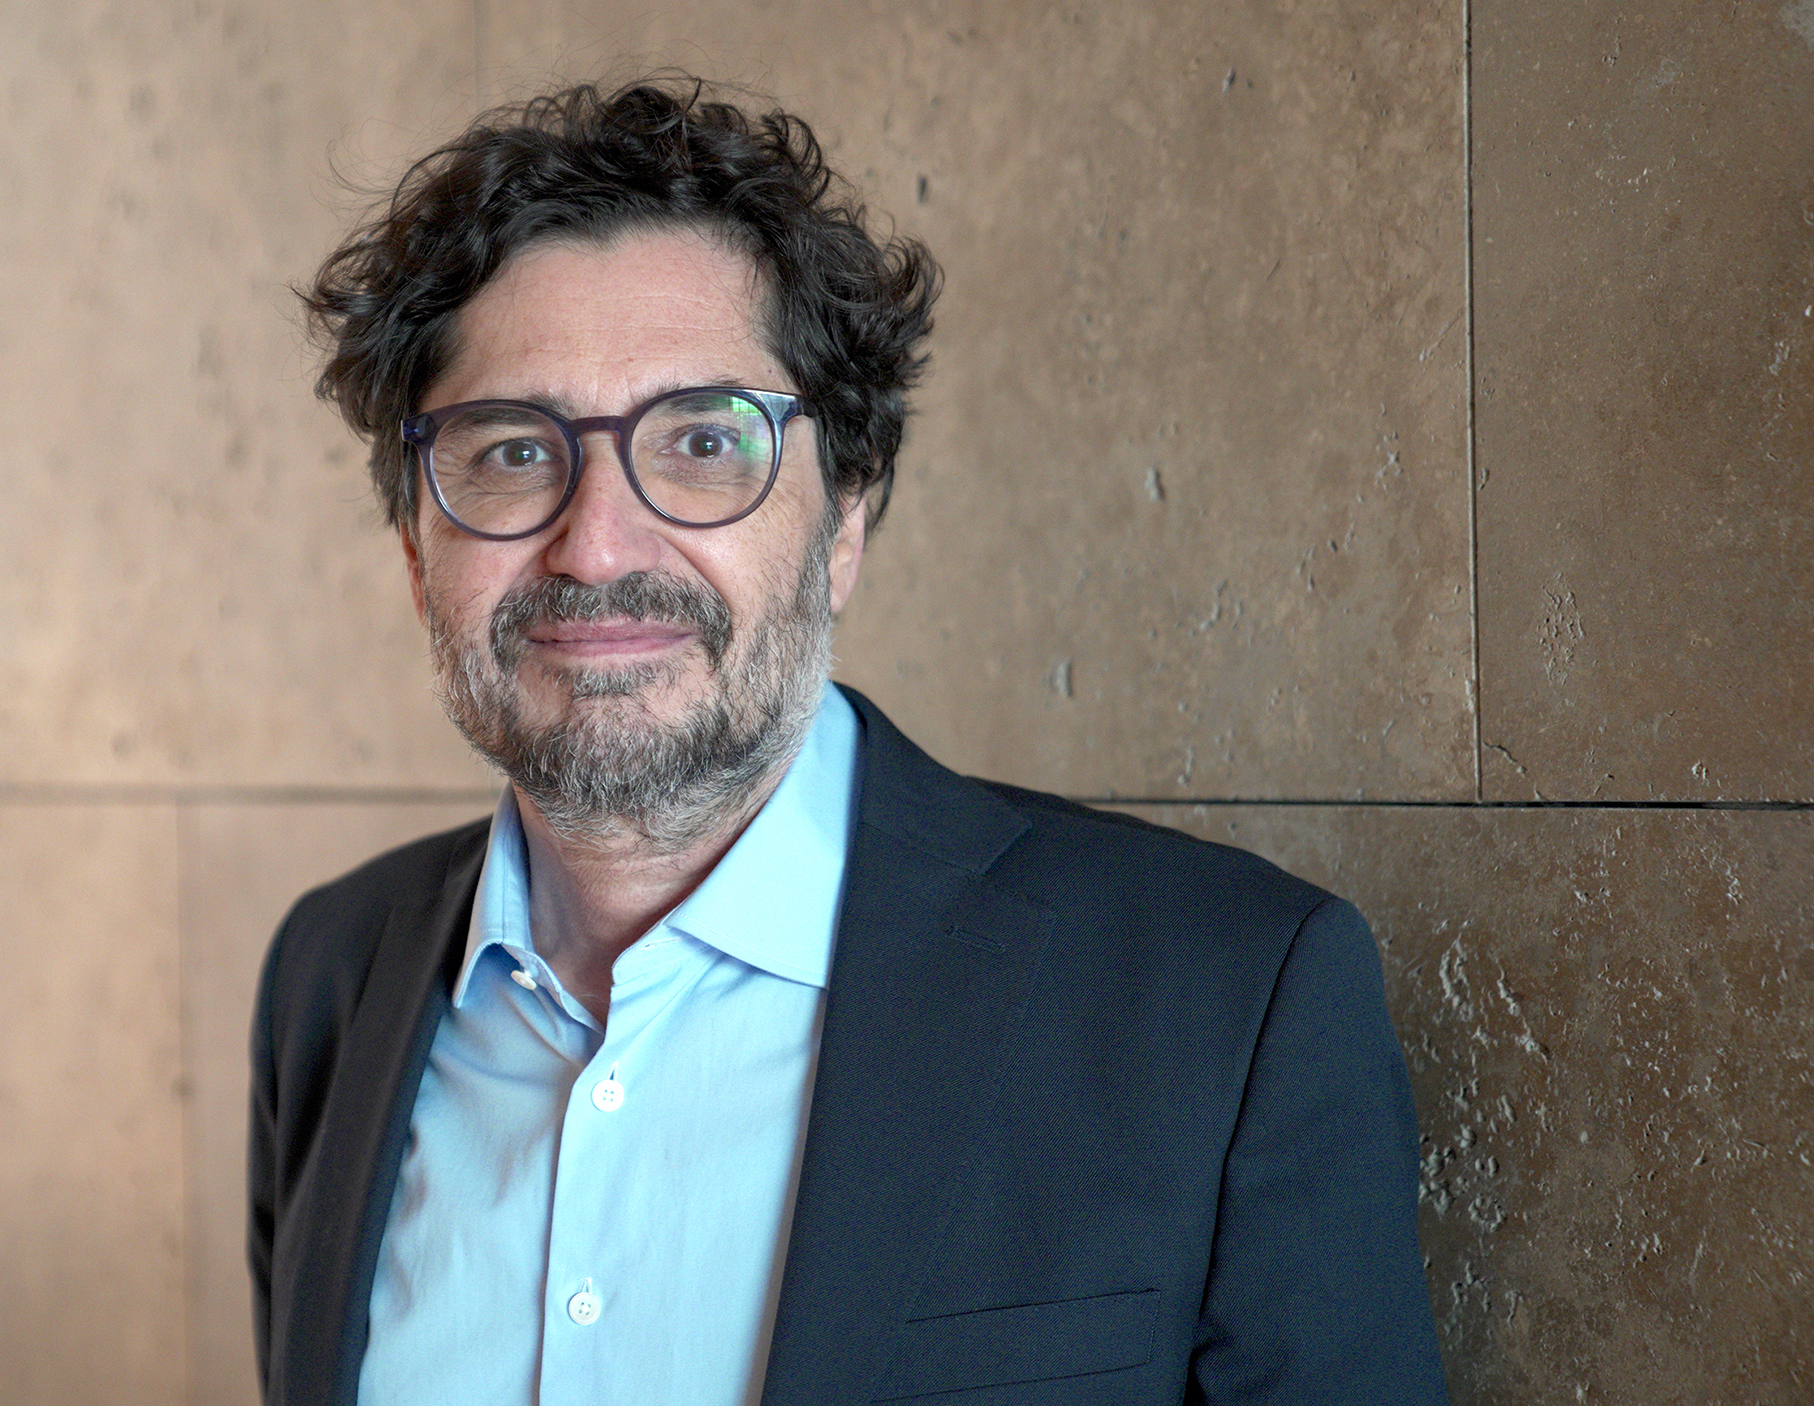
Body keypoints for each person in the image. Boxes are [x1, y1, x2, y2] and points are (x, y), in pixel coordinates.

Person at [248, 76, 1449, 1406]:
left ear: (846, 519)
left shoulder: (1223, 1006)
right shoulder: (330, 980)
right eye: (511, 451)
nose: (595, 544)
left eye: (705, 441)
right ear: (418, 546)